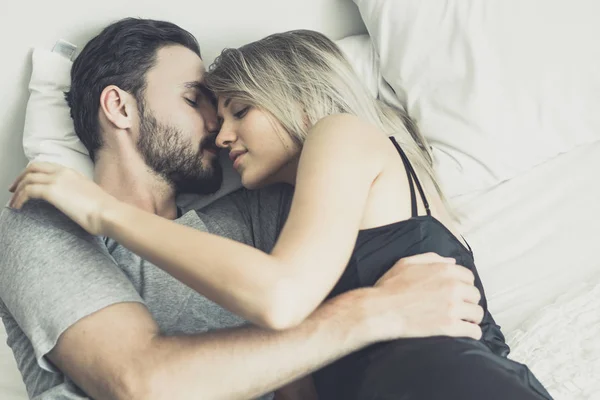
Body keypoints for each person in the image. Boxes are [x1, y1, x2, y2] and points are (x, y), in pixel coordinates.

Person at [7, 26, 552, 400]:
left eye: (235, 109)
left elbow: (297, 351)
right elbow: (141, 383)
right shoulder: (45, 220)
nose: (219, 133)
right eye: (196, 100)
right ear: (119, 106)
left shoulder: (264, 210)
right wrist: (374, 311)